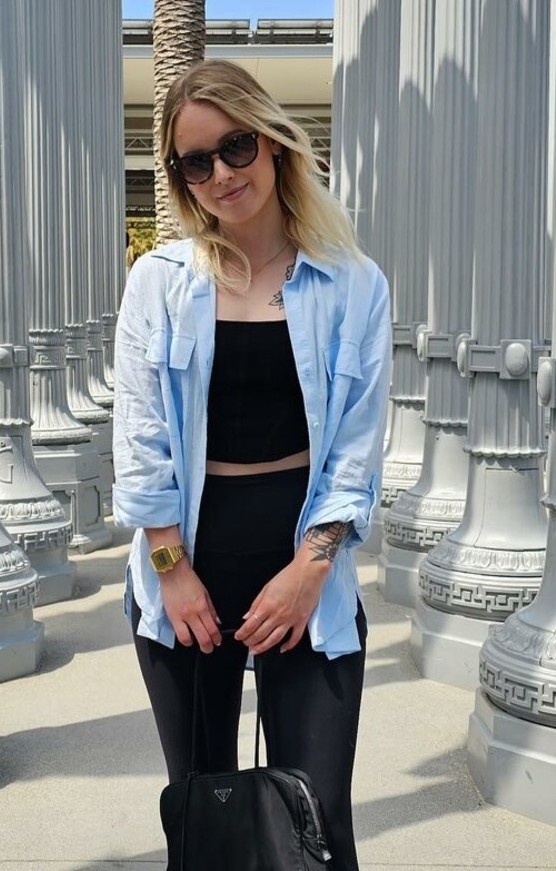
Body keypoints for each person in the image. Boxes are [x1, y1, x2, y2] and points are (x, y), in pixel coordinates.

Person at [111, 60, 391, 871]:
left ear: (272, 143)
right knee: (207, 816)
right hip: (186, 581)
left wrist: (309, 571)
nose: (222, 175)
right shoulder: (159, 284)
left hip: (308, 574)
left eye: (235, 147)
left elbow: (358, 445)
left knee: (317, 821)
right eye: (196, 162)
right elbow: (140, 441)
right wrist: (171, 572)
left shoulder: (352, 283)